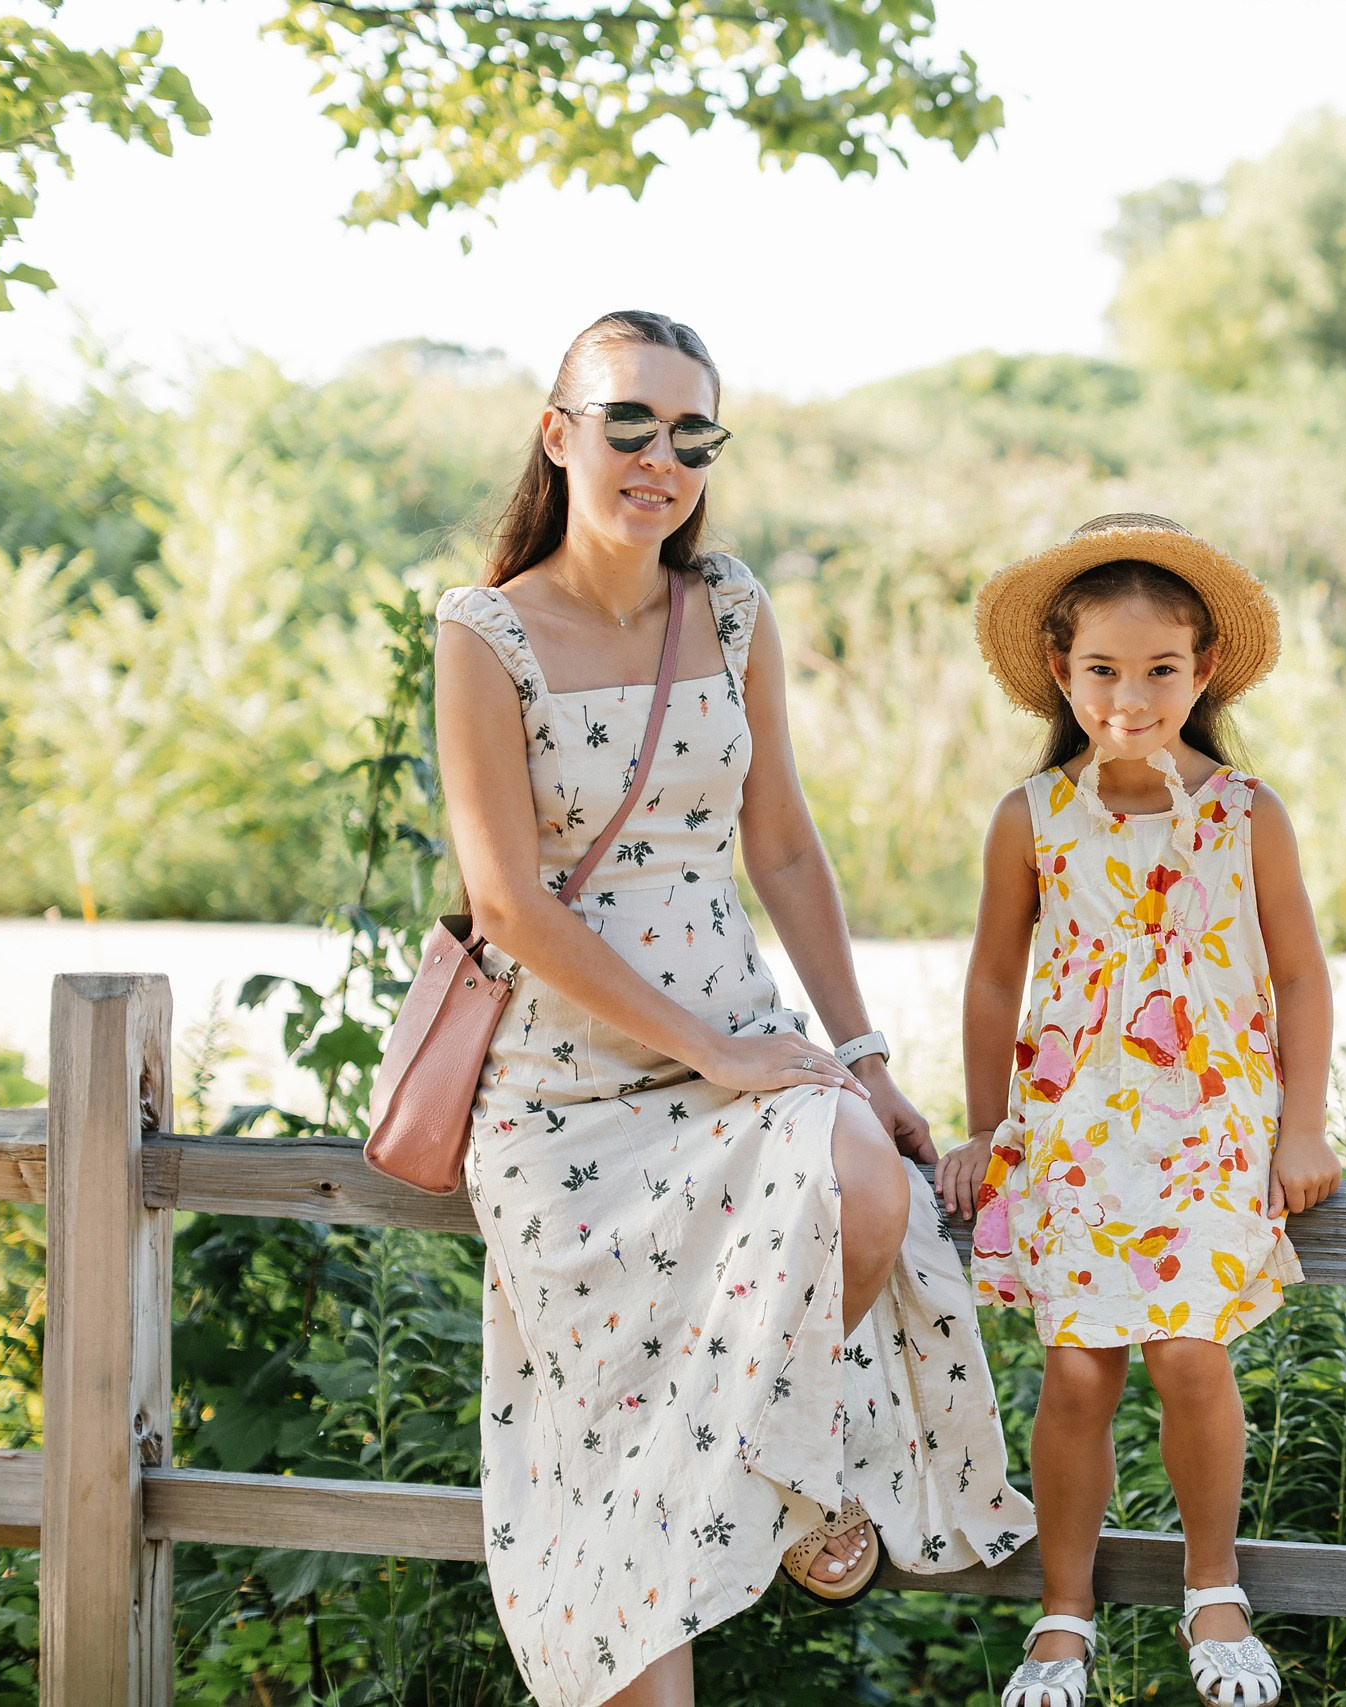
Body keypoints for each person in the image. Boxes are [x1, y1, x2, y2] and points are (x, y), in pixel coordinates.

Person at [435, 310, 1030, 1707]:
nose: (659, 456)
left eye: (690, 432)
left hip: (744, 1056)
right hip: (563, 1094)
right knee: (622, 1463)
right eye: (628, 420)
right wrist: (713, 1048)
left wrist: (862, 1049)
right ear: (559, 431)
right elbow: (512, 904)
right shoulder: (487, 631)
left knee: (867, 1183)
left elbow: (782, 848)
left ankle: (795, 1453)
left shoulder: (731, 607)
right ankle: (777, 1488)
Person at [935, 514, 1344, 1707]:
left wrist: (1302, 1126)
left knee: (1187, 1355)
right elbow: (992, 980)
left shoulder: (1245, 812)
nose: (1131, 696)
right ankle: (1061, 1615)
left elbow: (1303, 974)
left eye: (1160, 669)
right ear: (1062, 674)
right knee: (1076, 1373)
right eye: (1103, 670)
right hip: (1070, 1133)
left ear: (1202, 671)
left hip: (1209, 1128)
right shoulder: (1034, 817)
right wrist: (983, 1125)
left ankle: (1211, 1593)